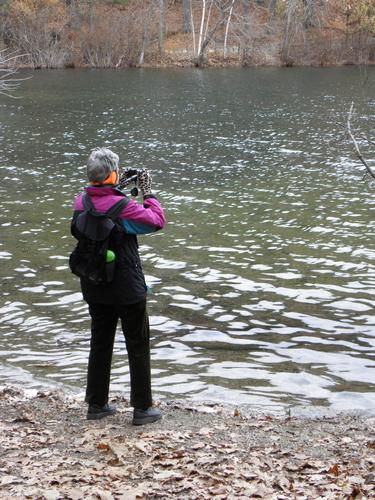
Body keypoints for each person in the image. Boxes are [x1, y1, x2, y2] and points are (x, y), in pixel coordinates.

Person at [71, 147, 165, 425]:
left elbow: (99, 205)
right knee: (137, 344)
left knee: (100, 342)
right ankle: (142, 409)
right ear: (112, 174)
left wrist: (117, 186)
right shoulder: (124, 207)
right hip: (126, 286)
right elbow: (156, 221)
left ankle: (97, 405)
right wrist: (148, 191)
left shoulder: (80, 201)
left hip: (94, 283)